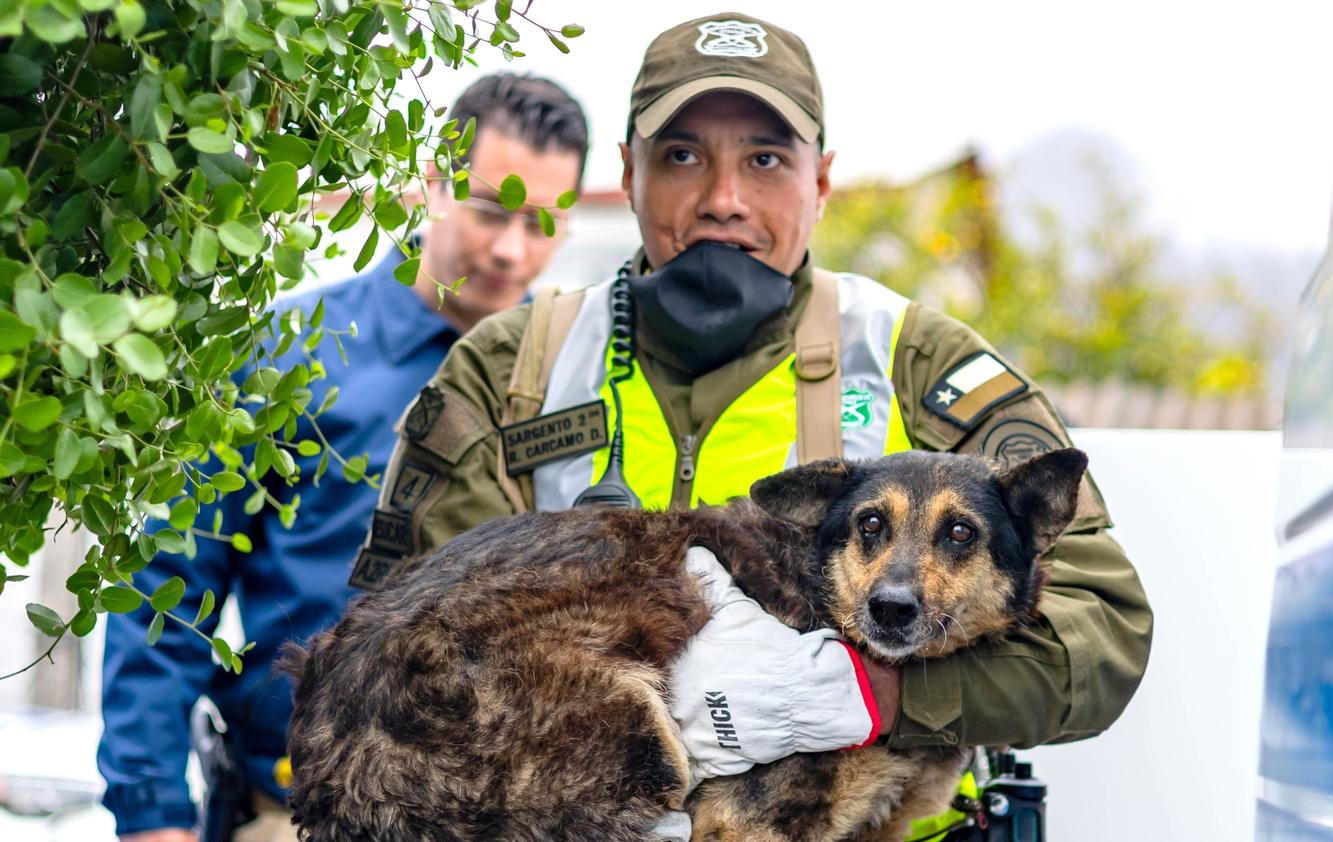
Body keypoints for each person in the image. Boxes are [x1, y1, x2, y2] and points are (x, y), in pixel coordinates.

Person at [353, 12, 1154, 840]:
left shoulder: (917, 361)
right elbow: (400, 661)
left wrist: (871, 696)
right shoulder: (508, 369)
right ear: (627, 173)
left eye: (765, 160)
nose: (723, 200)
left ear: (822, 181)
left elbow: (1106, 632)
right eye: (682, 156)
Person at [97, 73, 589, 842]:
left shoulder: (579, 377)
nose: (510, 248)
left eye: (541, 222)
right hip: (295, 809)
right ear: (434, 182)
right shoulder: (289, 353)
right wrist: (149, 810)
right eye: (492, 209)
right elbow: (169, 585)